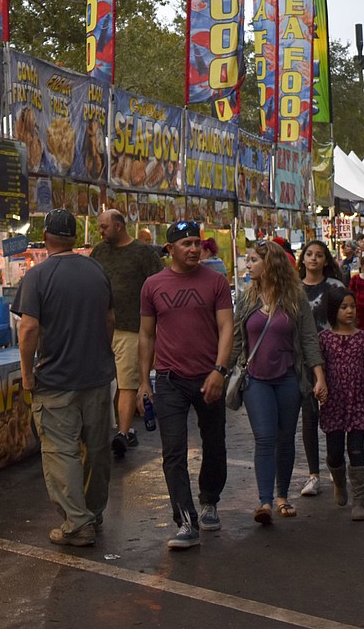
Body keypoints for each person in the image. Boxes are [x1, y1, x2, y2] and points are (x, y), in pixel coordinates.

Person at [12, 208, 115, 546]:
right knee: (97, 448)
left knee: (62, 451)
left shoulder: (37, 276)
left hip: (55, 379)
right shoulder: (96, 269)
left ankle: (77, 522)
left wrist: (27, 373)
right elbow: (110, 318)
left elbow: (28, 328)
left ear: (45, 238)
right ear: (74, 237)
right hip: (97, 376)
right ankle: (93, 514)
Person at [138, 219, 234, 550]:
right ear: (170, 249)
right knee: (173, 451)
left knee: (215, 443)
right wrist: (143, 382)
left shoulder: (216, 282)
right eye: (186, 244)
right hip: (169, 381)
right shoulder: (152, 285)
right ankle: (185, 521)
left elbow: (226, 328)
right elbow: (147, 335)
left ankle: (209, 500)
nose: (194, 249)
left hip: (209, 376)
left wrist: (220, 370)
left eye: (197, 242)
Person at [231, 240, 327, 524]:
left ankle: (283, 496)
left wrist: (319, 376)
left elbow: (309, 339)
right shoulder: (247, 299)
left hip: (288, 377)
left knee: (285, 438)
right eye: (247, 260)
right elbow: (237, 339)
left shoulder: (294, 298)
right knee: (265, 436)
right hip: (256, 379)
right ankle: (265, 502)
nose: (247, 266)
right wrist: (220, 371)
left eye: (252, 260)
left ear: (269, 264)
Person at [90, 209, 163, 458]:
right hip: (102, 327)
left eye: (103, 227)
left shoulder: (142, 253)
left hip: (133, 327)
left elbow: (159, 285)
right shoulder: (99, 252)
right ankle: (122, 429)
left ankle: (122, 432)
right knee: (106, 380)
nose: (100, 232)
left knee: (127, 381)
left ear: (119, 226)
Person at [318, 286, 364, 522]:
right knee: (335, 453)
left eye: (352, 306)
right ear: (333, 310)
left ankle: (359, 499)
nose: (349, 311)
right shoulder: (324, 339)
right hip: (333, 402)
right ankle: (338, 482)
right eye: (344, 307)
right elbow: (320, 370)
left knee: (356, 450)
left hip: (358, 401)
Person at [296, 240, 345, 496]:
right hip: (302, 362)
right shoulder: (294, 289)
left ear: (326, 260)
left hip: (333, 359)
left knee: (332, 416)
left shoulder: (335, 288)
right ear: (302, 259)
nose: (313, 259)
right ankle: (313, 475)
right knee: (309, 416)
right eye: (309, 254)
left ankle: (335, 467)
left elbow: (346, 320)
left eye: (319, 255)